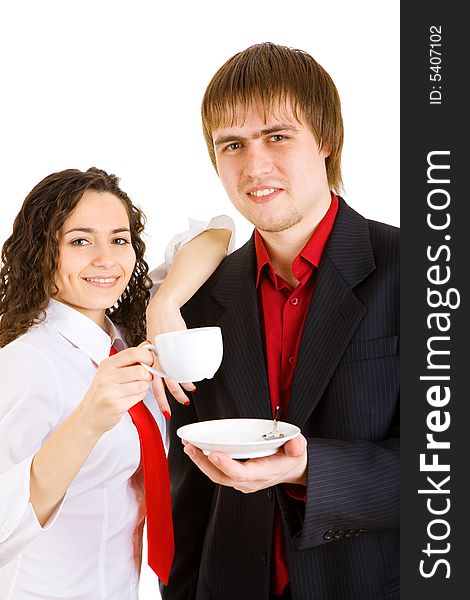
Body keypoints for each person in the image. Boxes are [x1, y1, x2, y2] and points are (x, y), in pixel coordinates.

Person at [161, 43, 399, 600]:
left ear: (327, 140)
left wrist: (307, 469)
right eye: (232, 145)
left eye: (277, 136)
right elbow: (188, 489)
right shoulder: (195, 297)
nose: (254, 166)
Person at [0, 167, 233, 599]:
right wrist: (89, 419)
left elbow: (217, 233)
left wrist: (164, 302)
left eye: (119, 239)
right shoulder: (25, 363)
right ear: (41, 254)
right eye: (80, 241)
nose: (106, 259)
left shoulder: (124, 334)